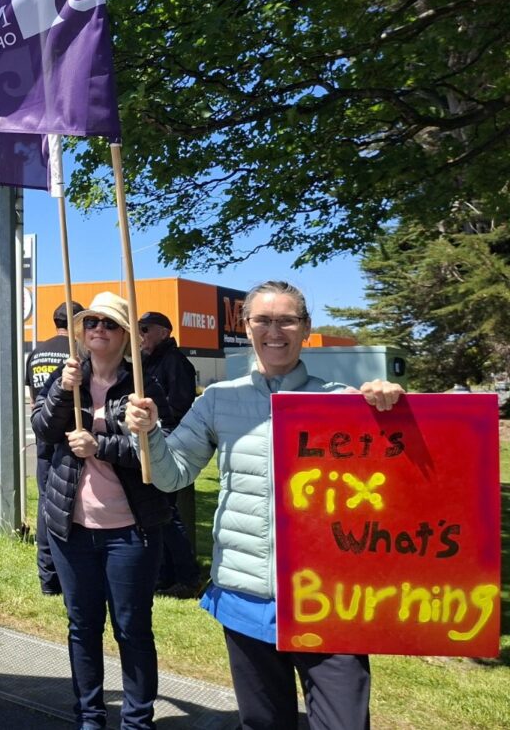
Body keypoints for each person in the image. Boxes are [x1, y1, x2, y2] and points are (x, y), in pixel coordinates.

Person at [126, 280, 405, 730]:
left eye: (287, 320)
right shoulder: (218, 399)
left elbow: (401, 477)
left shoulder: (344, 403)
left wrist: (390, 407)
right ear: (246, 326)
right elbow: (172, 474)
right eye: (263, 320)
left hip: (329, 598)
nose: (275, 331)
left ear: (306, 328)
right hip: (245, 594)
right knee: (263, 723)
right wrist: (150, 433)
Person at [32, 291, 172, 730]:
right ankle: (90, 716)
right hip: (71, 527)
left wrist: (102, 446)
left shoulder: (144, 387)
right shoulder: (66, 374)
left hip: (130, 529)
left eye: (109, 324)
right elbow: (43, 429)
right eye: (91, 322)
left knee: (131, 629)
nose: (98, 329)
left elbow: (158, 456)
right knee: (82, 626)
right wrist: (62, 392)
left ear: (125, 335)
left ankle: (136, 720)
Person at [137, 311, 200, 598]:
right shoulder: (150, 361)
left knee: (170, 514)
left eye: (145, 329)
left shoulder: (175, 362)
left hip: (171, 443)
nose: (141, 335)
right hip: (156, 442)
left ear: (163, 332)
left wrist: (158, 423)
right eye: (139, 329)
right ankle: (165, 574)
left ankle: (187, 577)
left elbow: (180, 405)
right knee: (158, 512)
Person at [25, 300, 83, 597]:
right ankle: (64, 572)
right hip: (70, 435)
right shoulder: (76, 353)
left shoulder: (36, 353)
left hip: (44, 430)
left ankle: (47, 576)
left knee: (46, 501)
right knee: (68, 504)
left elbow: (33, 395)